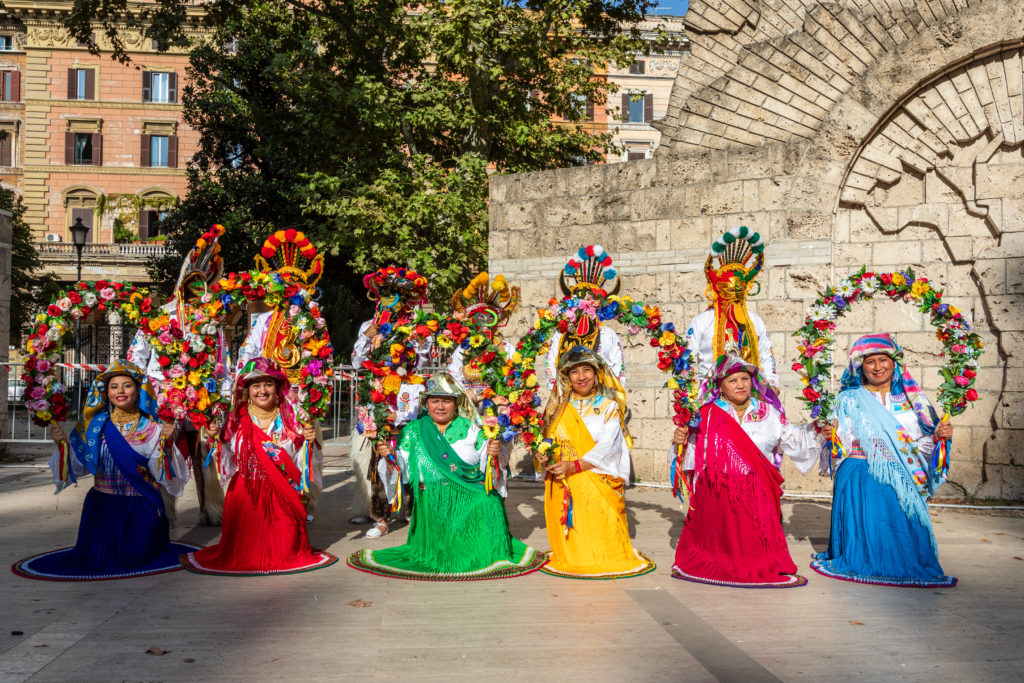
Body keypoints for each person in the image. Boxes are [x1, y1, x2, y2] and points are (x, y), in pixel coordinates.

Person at [347, 373, 546, 580]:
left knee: (489, 500)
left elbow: (489, 467)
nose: (440, 407)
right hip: (432, 497)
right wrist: (390, 458)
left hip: (469, 491)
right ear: (426, 404)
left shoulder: (471, 429)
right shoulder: (414, 431)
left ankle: (486, 552)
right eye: (435, 401)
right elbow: (402, 472)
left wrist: (494, 452)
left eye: (446, 401)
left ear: (456, 403)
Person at [12, 361, 194, 581]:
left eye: (127, 386)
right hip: (103, 507)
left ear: (138, 392)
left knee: (134, 557)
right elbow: (78, 466)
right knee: (95, 558)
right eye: (114, 386)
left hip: (139, 505)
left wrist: (167, 442)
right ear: (106, 393)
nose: (120, 391)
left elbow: (162, 471)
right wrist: (63, 446)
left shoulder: (153, 428)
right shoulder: (95, 427)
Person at [810, 334, 957, 587]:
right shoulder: (848, 399)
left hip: (903, 474)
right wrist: (829, 437)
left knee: (906, 531)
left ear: (895, 362)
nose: (877, 367)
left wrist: (940, 438)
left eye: (883, 360)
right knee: (867, 531)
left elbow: (923, 444)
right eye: (870, 362)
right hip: (859, 476)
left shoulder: (915, 403)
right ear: (860, 367)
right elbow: (838, 445)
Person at [669, 354, 821, 588]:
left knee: (756, 549)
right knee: (719, 546)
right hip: (716, 493)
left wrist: (818, 429)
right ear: (720, 386)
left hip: (755, 492)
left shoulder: (769, 413)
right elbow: (690, 455)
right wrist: (680, 438)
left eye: (745, 378)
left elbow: (792, 438)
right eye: (732, 380)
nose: (740, 384)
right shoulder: (705, 415)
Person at [180, 358, 336, 576]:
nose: (262, 391)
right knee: (243, 551)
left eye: (268, 384)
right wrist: (215, 439)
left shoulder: (292, 419)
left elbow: (303, 460)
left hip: (281, 493)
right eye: (256, 385)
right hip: (247, 495)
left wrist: (309, 440)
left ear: (277, 387)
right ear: (248, 390)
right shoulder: (237, 419)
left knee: (284, 550)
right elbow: (226, 456)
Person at [127, 224, 228, 526]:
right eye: (192, 286)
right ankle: (163, 513)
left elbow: (223, 364)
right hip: (162, 400)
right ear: (181, 285)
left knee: (204, 455)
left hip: (201, 398)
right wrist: (139, 395)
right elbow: (135, 361)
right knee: (162, 455)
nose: (197, 293)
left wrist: (221, 399)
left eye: (203, 287)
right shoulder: (158, 320)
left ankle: (211, 509)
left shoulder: (212, 324)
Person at [235, 229, 327, 522]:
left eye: (294, 285)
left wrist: (315, 390)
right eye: (284, 285)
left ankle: (304, 500)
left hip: (299, 391)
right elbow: (247, 352)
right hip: (268, 390)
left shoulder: (312, 318)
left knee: (302, 443)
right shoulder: (262, 319)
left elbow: (323, 355)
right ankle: (265, 495)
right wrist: (250, 381)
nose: (289, 291)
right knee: (268, 441)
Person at [540, 345, 654, 579]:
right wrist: (543, 456)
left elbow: (609, 445)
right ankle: (572, 555)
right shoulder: (556, 408)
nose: (581, 377)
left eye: (586, 370)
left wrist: (576, 466)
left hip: (594, 473)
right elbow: (547, 441)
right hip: (562, 477)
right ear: (566, 376)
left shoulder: (608, 406)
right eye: (574, 372)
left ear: (596, 373)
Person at [350, 265, 431, 537]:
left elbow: (422, 361)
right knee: (378, 454)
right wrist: (368, 336)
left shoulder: (415, 327)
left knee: (409, 452)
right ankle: (381, 516)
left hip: (406, 397)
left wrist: (412, 342)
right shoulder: (368, 326)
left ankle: (410, 511)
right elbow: (356, 361)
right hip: (376, 393)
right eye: (384, 293)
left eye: (394, 293)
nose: (389, 298)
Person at [685, 226, 778, 389]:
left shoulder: (755, 321)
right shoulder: (702, 322)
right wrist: (692, 393)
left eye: (739, 289)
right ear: (717, 289)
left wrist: (771, 384)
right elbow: (686, 360)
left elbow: (765, 354)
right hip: (711, 398)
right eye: (729, 290)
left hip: (751, 397)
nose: (734, 296)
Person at [544, 246, 625, 389]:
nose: (585, 310)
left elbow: (618, 370)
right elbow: (551, 364)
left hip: (601, 402)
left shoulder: (608, 335)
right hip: (568, 401)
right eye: (581, 304)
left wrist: (609, 400)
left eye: (590, 304)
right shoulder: (561, 334)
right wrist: (558, 393)